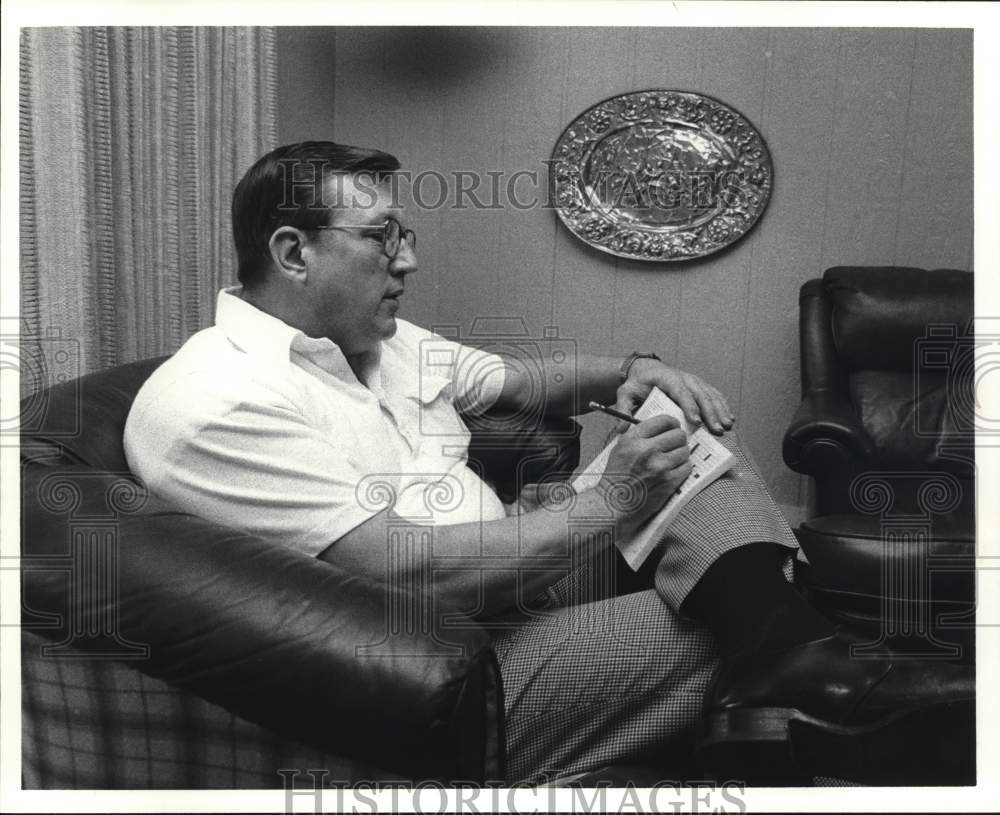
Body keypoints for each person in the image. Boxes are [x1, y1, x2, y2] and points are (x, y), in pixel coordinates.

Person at [124, 141, 972, 785]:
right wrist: (610, 500)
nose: (408, 260)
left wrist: (630, 372)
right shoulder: (220, 404)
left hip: (517, 569)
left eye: (405, 233)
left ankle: (792, 668)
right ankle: (802, 678)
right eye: (382, 237)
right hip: (451, 663)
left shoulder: (370, 340)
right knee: (742, 606)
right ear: (293, 252)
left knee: (687, 436)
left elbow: (522, 379)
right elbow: (407, 582)